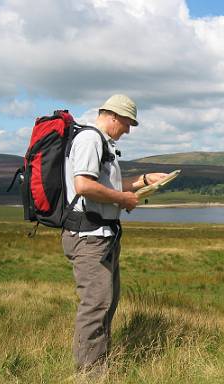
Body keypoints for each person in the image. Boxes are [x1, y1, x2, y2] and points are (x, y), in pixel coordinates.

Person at [61, 94, 167, 373]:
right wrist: (122, 200)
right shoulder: (90, 140)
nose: (129, 130)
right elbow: (83, 185)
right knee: (96, 305)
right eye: (128, 123)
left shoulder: (102, 143)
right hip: (89, 237)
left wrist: (144, 180)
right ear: (113, 116)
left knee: (106, 302)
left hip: (101, 236)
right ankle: (90, 375)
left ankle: (98, 365)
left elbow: (109, 186)